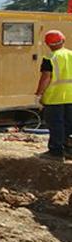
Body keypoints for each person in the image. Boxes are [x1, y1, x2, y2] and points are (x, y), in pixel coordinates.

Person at [35, 30, 72, 160]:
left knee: (56, 124)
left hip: (54, 97)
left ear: (48, 44)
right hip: (71, 97)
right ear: (63, 40)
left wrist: (38, 94)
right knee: (69, 124)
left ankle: (55, 152)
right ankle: (69, 150)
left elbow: (46, 77)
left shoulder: (50, 57)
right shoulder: (71, 55)